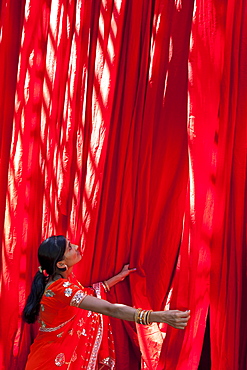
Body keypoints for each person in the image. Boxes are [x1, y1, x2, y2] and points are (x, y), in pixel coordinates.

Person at [23, 235, 190, 369]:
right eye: (69, 248)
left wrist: (115, 279)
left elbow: (85, 294)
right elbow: (111, 310)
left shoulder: (60, 280)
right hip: (53, 361)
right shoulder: (60, 288)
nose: (76, 246)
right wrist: (159, 317)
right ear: (60, 264)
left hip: (55, 355)